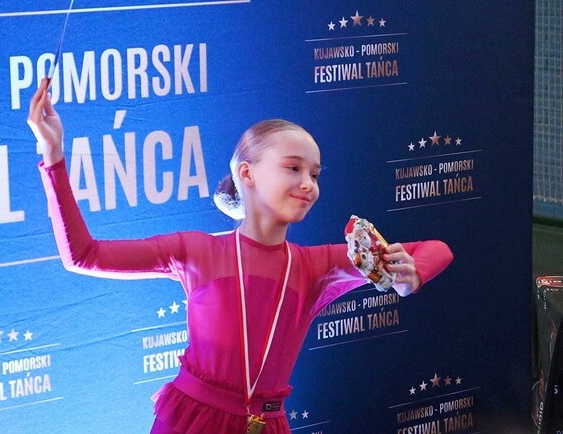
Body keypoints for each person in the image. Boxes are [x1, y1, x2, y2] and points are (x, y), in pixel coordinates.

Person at [28, 77, 453, 434]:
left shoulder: (315, 266)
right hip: (191, 422)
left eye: (315, 174)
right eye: (293, 168)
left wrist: (411, 274)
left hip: (267, 425)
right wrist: (53, 155)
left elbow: (439, 248)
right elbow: (82, 255)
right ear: (246, 173)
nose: (308, 184)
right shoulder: (196, 251)